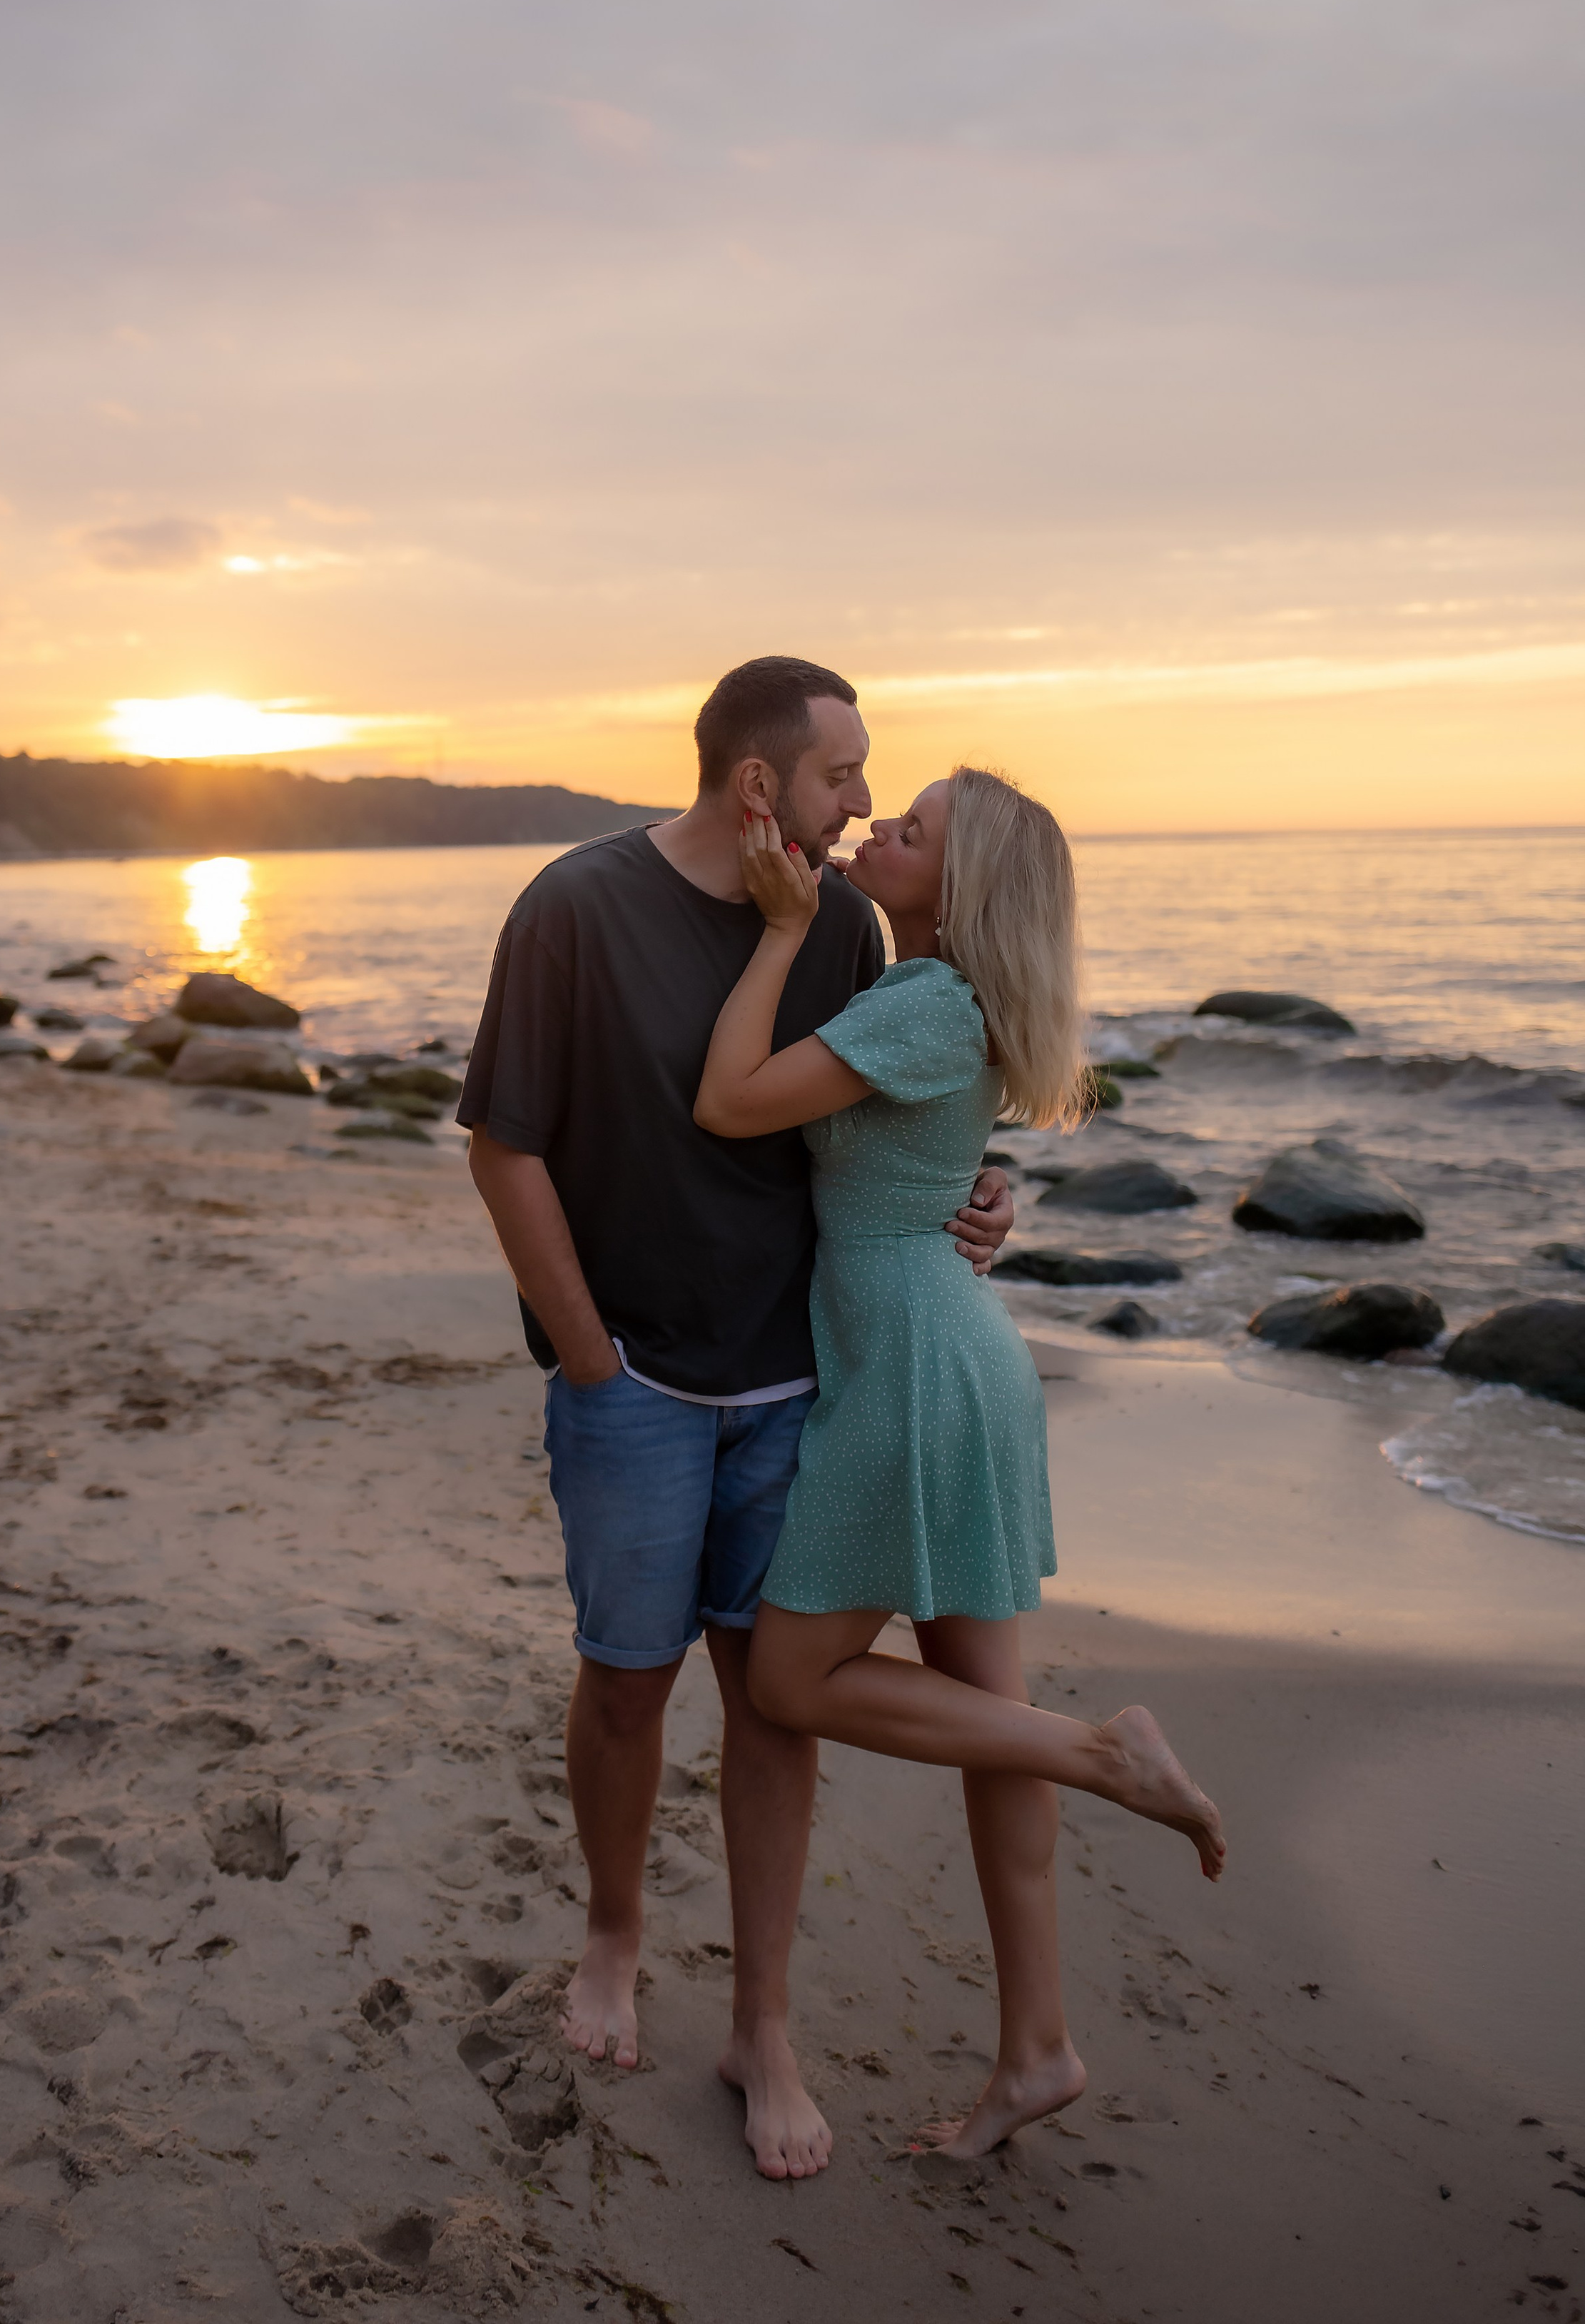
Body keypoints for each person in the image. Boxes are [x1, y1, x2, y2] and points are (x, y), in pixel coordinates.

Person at [457, 657, 1019, 2181]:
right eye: (844, 775)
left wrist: (980, 1191)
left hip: (796, 1380)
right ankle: (613, 1937)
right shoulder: (574, 907)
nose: (862, 804)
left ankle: (762, 2027)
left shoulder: (840, 926)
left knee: (774, 1706)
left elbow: (888, 1107)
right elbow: (504, 1146)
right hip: (631, 1381)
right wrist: (588, 1356)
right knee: (625, 1683)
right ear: (760, 782)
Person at [694, 767, 1226, 2159]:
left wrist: (774, 929)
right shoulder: (938, 996)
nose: (878, 827)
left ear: (962, 882)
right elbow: (921, 1158)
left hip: (912, 1375)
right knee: (987, 1722)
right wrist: (984, 1196)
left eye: (912, 828)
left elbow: (731, 1102)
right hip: (954, 1353)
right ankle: (1037, 2050)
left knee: (790, 1681)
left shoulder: (926, 1002)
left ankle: (1101, 1755)